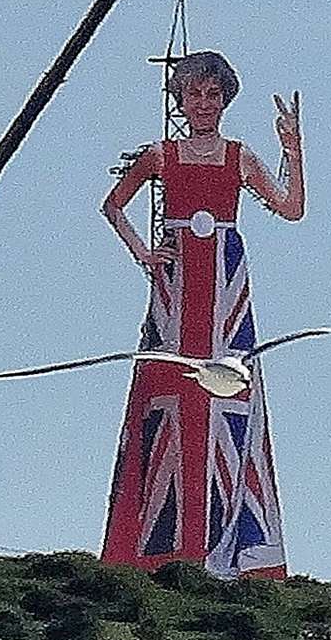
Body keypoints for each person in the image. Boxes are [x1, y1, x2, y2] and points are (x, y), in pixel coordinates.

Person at [98, 51, 305, 579]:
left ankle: (230, 547)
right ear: (181, 100)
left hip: (226, 281)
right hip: (177, 280)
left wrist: (292, 150)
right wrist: (143, 252)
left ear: (225, 100)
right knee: (168, 389)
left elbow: (291, 208)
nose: (205, 105)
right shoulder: (162, 155)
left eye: (214, 96)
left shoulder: (239, 157)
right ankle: (158, 545)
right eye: (195, 95)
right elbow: (112, 204)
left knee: (229, 393)